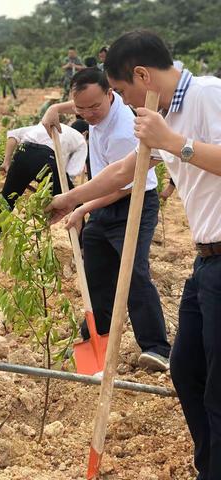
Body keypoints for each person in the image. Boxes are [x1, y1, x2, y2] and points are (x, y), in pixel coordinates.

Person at [44, 30, 221, 480]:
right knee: (187, 371)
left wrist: (175, 142)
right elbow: (128, 168)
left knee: (217, 386)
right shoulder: (161, 112)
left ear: (142, 75)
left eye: (121, 91)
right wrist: (73, 199)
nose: (122, 101)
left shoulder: (207, 95)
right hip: (205, 262)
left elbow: (185, 151)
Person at [43, 67, 170, 371]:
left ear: (111, 94)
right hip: (102, 203)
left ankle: (156, 348)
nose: (87, 114)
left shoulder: (125, 129)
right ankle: (94, 339)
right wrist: (54, 109)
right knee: (95, 272)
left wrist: (81, 207)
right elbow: (78, 105)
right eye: (80, 108)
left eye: (94, 107)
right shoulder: (92, 107)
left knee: (133, 273)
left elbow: (122, 184)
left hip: (133, 201)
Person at [0, 122, 87, 262]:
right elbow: (70, 175)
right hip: (46, 157)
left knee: (5, 202)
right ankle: (82, 251)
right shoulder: (82, 140)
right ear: (85, 133)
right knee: (75, 203)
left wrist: (7, 162)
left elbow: (13, 135)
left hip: (22, 152)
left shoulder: (46, 124)